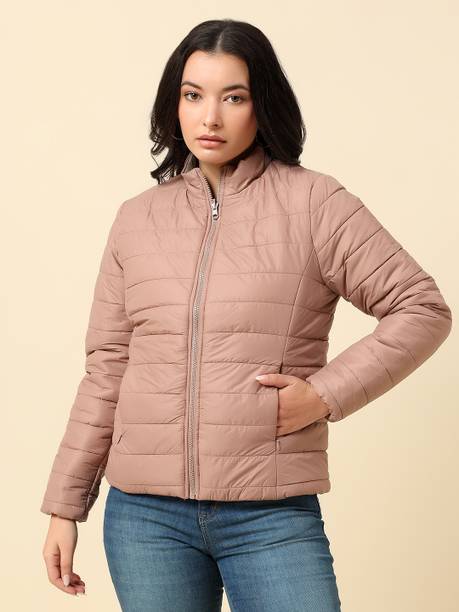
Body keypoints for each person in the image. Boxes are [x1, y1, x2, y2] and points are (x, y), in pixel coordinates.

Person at [41, 19, 452, 611]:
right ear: (174, 103)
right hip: (145, 519)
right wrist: (65, 506)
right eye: (193, 95)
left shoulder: (314, 203)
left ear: (263, 104)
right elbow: (108, 369)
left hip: (270, 513)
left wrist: (324, 395)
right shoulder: (137, 219)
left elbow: (421, 306)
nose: (210, 117)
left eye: (233, 97)